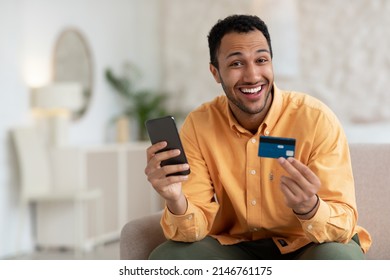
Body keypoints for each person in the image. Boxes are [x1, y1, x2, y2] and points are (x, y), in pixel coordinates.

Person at [144, 14, 371, 260]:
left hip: (308, 242)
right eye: (236, 64)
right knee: (168, 258)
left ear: (271, 63)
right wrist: (176, 199)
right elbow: (193, 227)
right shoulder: (199, 127)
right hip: (235, 246)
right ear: (215, 72)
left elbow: (344, 220)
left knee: (339, 260)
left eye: (261, 60)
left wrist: (310, 208)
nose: (252, 76)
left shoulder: (316, 120)